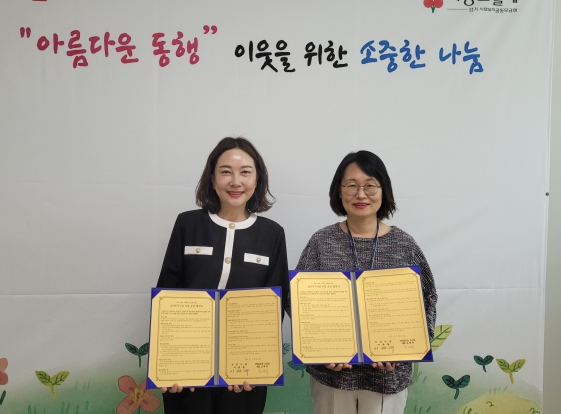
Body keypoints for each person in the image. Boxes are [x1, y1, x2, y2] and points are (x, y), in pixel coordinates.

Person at [295, 151, 437, 414]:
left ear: (384, 191)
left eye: (370, 186)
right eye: (351, 186)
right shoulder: (321, 242)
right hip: (332, 376)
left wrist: (406, 350)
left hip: (387, 377)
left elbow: (427, 299)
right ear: (339, 191)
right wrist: (319, 348)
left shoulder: (404, 244)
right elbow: (297, 302)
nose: (361, 194)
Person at [157, 136, 289, 414]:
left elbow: (272, 308)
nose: (235, 182)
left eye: (245, 172)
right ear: (212, 178)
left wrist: (254, 365)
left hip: (244, 375)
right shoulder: (187, 224)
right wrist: (168, 365)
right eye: (226, 171)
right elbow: (167, 295)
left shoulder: (272, 233)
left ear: (257, 179)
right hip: (188, 368)